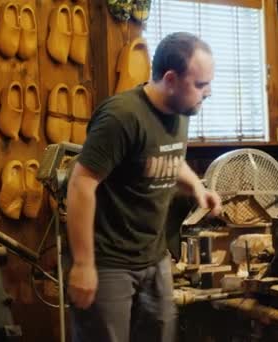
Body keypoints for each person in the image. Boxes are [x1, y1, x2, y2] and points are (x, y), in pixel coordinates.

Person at [65, 32, 222, 342]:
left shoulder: (181, 110)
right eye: (201, 84)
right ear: (171, 79)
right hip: (108, 262)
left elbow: (169, 156)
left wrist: (197, 187)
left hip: (153, 256)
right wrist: (83, 264)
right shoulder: (121, 117)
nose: (208, 93)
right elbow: (81, 183)